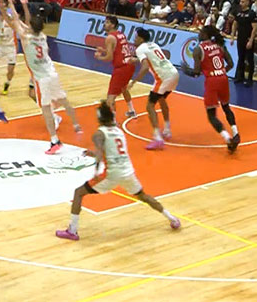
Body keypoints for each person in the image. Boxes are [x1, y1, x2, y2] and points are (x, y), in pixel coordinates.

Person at [55, 101, 180, 241]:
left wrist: (96, 172)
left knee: (79, 192)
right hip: (127, 171)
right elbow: (113, 151)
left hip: (112, 174)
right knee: (143, 196)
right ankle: (172, 218)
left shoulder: (99, 134)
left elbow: (101, 152)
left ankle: (72, 231)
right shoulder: (119, 132)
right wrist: (93, 154)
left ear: (99, 119)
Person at [6, 0, 81, 154]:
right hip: (52, 73)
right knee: (64, 100)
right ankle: (76, 125)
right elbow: (27, 23)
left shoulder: (25, 37)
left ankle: (55, 141)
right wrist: (25, 5)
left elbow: (16, 20)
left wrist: (11, 3)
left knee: (46, 109)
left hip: (42, 78)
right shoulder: (43, 36)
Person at [181, 25, 241, 153]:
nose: (199, 34)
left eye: (201, 32)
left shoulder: (198, 49)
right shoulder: (219, 45)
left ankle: (227, 138)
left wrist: (186, 71)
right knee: (226, 107)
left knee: (211, 115)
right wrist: (221, 72)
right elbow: (231, 64)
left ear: (205, 34)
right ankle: (235, 133)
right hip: (223, 78)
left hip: (212, 81)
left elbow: (196, 73)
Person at [127, 28, 179, 150]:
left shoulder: (140, 49)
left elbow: (145, 67)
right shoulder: (153, 44)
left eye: (136, 37)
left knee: (149, 106)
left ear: (141, 39)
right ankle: (167, 130)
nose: (134, 39)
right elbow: (153, 58)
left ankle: (157, 138)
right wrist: (136, 60)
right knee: (161, 99)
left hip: (163, 78)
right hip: (174, 74)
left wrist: (133, 82)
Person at [94, 15, 136, 118]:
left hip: (121, 68)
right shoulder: (121, 34)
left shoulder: (110, 38)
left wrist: (99, 57)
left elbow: (109, 57)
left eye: (107, 22)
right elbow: (118, 50)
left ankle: (113, 122)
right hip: (130, 65)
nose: (104, 24)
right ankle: (131, 111)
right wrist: (104, 50)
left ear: (113, 25)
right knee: (123, 88)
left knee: (110, 98)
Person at [231, 0, 257, 87]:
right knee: (241, 58)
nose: (241, 3)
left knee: (250, 59)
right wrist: (232, 36)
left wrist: (251, 40)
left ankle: (250, 79)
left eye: (243, 2)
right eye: (240, 2)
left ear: (247, 2)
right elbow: (235, 24)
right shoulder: (238, 12)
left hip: (248, 38)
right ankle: (240, 76)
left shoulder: (251, 13)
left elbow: (254, 28)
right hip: (240, 38)